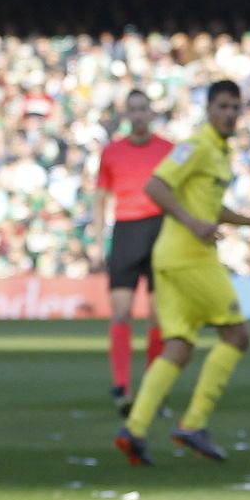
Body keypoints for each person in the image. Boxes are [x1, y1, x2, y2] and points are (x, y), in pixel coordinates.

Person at [113, 80, 250, 466]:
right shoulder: (196, 146)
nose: (230, 113)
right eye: (223, 106)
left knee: (179, 348)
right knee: (236, 335)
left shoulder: (218, 151)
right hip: (189, 257)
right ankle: (194, 423)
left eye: (236, 107)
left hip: (171, 258)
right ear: (208, 109)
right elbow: (156, 185)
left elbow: (207, 207)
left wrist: (249, 222)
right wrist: (191, 222)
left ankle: (133, 429)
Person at [94, 89, 173, 415]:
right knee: (121, 312)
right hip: (126, 230)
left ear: (151, 113)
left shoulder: (169, 150)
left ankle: (152, 386)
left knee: (157, 316)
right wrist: (100, 243)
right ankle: (121, 386)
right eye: (133, 110)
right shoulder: (111, 152)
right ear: (126, 115)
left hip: (160, 229)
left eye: (144, 109)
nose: (139, 115)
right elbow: (100, 199)